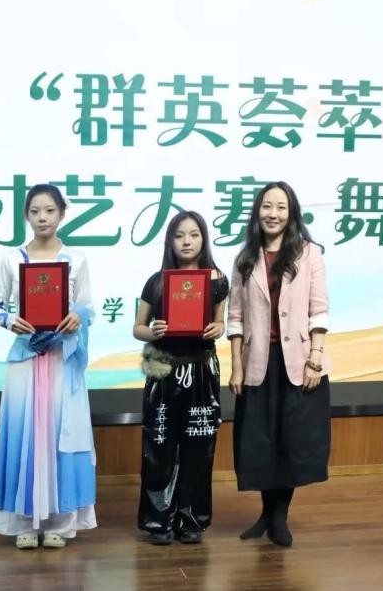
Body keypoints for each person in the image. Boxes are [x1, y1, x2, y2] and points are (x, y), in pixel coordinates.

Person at [0, 184, 96, 549]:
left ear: (62, 214)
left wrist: (76, 317)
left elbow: (88, 307)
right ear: (26, 216)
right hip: (25, 358)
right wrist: (10, 321)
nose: (42, 218)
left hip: (61, 359)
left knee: (61, 434)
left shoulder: (76, 259)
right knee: (24, 436)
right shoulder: (11, 259)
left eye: (49, 211)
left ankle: (60, 523)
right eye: (35, 211)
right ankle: (24, 520)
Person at [228, 181, 332, 547]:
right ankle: (265, 513)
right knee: (260, 441)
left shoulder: (309, 253)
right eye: (267, 206)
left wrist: (315, 359)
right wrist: (236, 365)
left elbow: (319, 309)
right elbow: (235, 317)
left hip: (298, 363)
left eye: (281, 207)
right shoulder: (244, 258)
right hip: (258, 362)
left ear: (292, 214)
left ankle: (279, 517)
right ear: (257, 211)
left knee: (291, 441)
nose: (273, 214)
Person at [133, 211, 227, 545]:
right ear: (170, 241)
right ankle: (158, 521)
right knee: (158, 446)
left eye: (194, 234)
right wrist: (153, 331)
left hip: (201, 368)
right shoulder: (156, 281)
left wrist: (219, 327)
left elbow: (220, 323)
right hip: (161, 368)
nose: (187, 241)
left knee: (198, 448)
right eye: (179, 235)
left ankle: (191, 520)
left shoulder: (218, 280)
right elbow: (138, 328)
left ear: (204, 239)